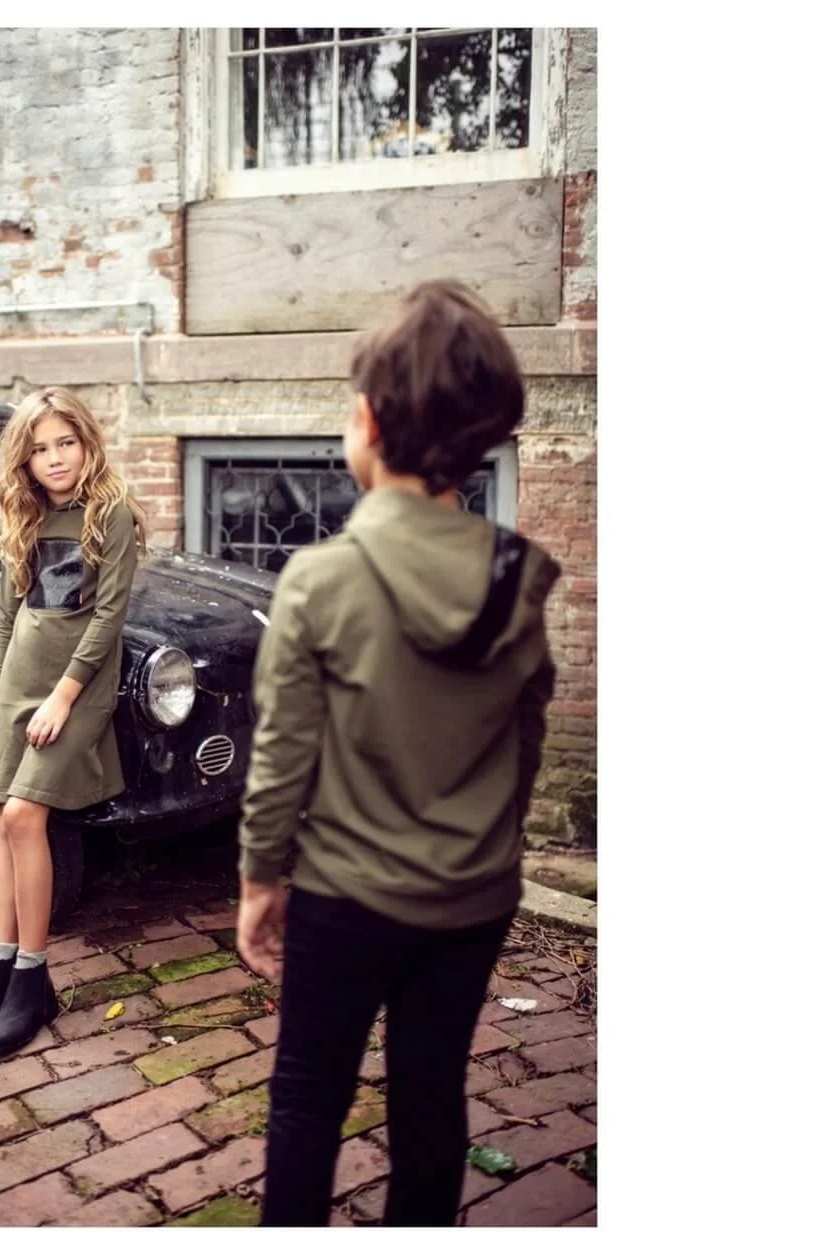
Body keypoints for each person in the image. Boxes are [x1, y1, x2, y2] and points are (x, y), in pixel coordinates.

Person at [236, 280, 561, 1227]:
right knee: (431, 1097)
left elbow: (280, 759)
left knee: (305, 1100)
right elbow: (525, 740)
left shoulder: (319, 579)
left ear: (368, 422)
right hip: (471, 900)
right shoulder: (516, 580)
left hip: (344, 898)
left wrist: (262, 881)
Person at [0, 387, 146, 1056]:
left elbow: (108, 616)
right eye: (39, 448)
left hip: (76, 688)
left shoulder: (109, 511)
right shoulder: (26, 512)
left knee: (26, 818)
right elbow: (9, 610)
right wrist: (8, 686)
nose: (55, 458)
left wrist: (62, 696)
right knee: (2, 818)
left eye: (66, 442)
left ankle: (33, 977)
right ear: (23, 461)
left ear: (86, 442)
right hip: (21, 684)